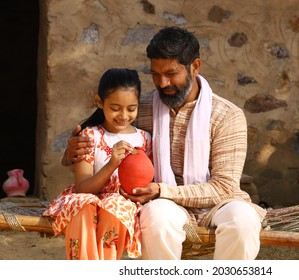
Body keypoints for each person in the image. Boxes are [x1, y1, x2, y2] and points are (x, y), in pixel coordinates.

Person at [62, 26, 266, 260]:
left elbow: (224, 188)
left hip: (218, 205)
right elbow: (102, 137)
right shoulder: (142, 106)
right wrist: (71, 153)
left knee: (243, 221)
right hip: (163, 204)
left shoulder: (227, 116)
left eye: (171, 73)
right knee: (156, 217)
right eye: (155, 74)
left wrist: (163, 190)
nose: (162, 82)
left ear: (195, 66)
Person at [43, 68, 152, 260]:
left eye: (131, 108)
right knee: (83, 204)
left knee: (115, 205)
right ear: (100, 102)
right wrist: (112, 164)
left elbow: (145, 181)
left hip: (121, 203)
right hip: (89, 196)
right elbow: (83, 188)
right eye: (115, 108)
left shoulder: (144, 139)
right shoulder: (89, 136)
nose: (123, 115)